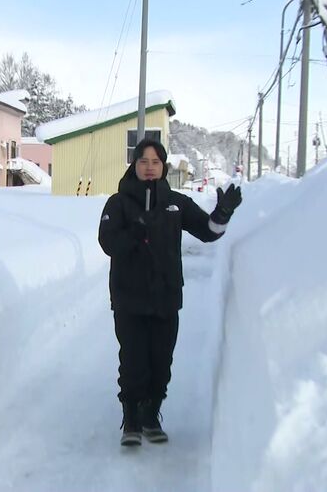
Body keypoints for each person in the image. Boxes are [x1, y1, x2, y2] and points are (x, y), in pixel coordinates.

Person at [98, 139, 242, 447]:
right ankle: (132, 420)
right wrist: (134, 233)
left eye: (155, 161)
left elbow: (208, 231)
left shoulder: (176, 203)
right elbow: (108, 243)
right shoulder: (118, 203)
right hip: (129, 299)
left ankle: (152, 415)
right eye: (143, 161)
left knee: (161, 362)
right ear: (134, 165)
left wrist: (223, 213)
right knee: (133, 361)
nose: (149, 167)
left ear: (163, 166)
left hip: (166, 297)